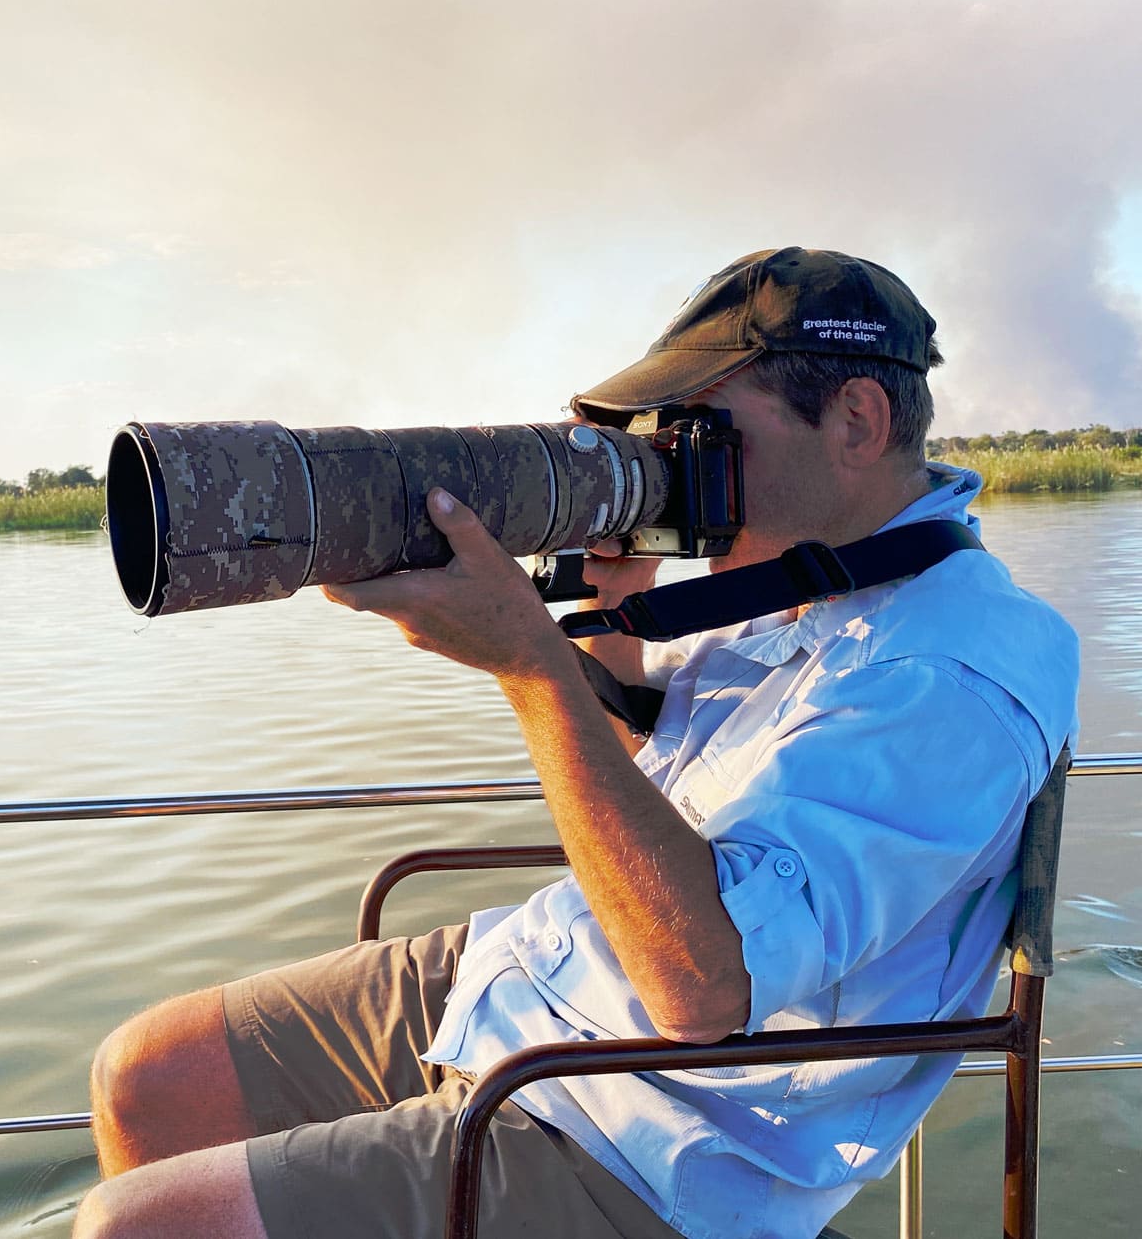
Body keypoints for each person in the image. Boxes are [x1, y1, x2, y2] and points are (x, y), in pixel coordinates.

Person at [72, 247, 1080, 1239]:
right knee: (150, 1076)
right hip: (551, 980)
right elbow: (652, 793)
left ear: (855, 420)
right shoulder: (808, 581)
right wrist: (601, 618)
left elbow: (701, 985)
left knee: (135, 1226)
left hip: (661, 1135)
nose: (682, 465)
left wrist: (533, 671)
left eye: (706, 433)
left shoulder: (947, 668)